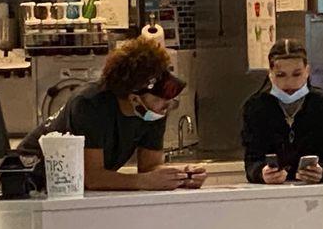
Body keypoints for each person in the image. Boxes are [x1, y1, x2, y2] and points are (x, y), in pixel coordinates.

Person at [18, 37, 207, 191]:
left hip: (71, 189)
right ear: (134, 98)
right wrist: (142, 182)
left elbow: (149, 168)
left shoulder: (152, 113)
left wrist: (180, 177)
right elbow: (92, 177)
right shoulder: (89, 104)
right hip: (29, 178)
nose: (165, 106)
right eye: (159, 99)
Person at [241, 39, 323, 185]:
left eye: (297, 74)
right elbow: (252, 160)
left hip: (316, 192)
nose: (289, 83)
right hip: (270, 194)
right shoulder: (255, 108)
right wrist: (261, 173)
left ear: (307, 72)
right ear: (270, 74)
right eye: (281, 75)